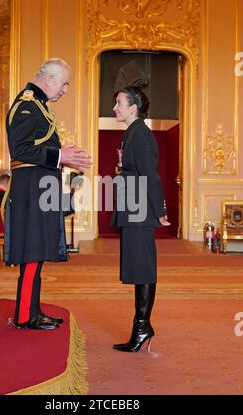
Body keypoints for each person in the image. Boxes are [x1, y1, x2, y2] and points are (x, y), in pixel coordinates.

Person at [5, 58, 91, 330]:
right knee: (32, 250)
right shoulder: (27, 106)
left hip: (39, 188)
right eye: (64, 83)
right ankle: (24, 317)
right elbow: (20, 150)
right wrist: (60, 155)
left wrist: (63, 159)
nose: (65, 90)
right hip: (31, 191)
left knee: (38, 250)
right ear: (50, 79)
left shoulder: (39, 105)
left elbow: (36, 150)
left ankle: (32, 310)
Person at [111, 86, 170, 352]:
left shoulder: (141, 135)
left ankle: (143, 326)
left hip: (140, 210)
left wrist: (160, 210)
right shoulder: (132, 133)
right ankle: (141, 326)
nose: (115, 107)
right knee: (138, 267)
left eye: (119, 102)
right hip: (133, 208)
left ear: (133, 107)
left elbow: (150, 175)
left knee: (143, 268)